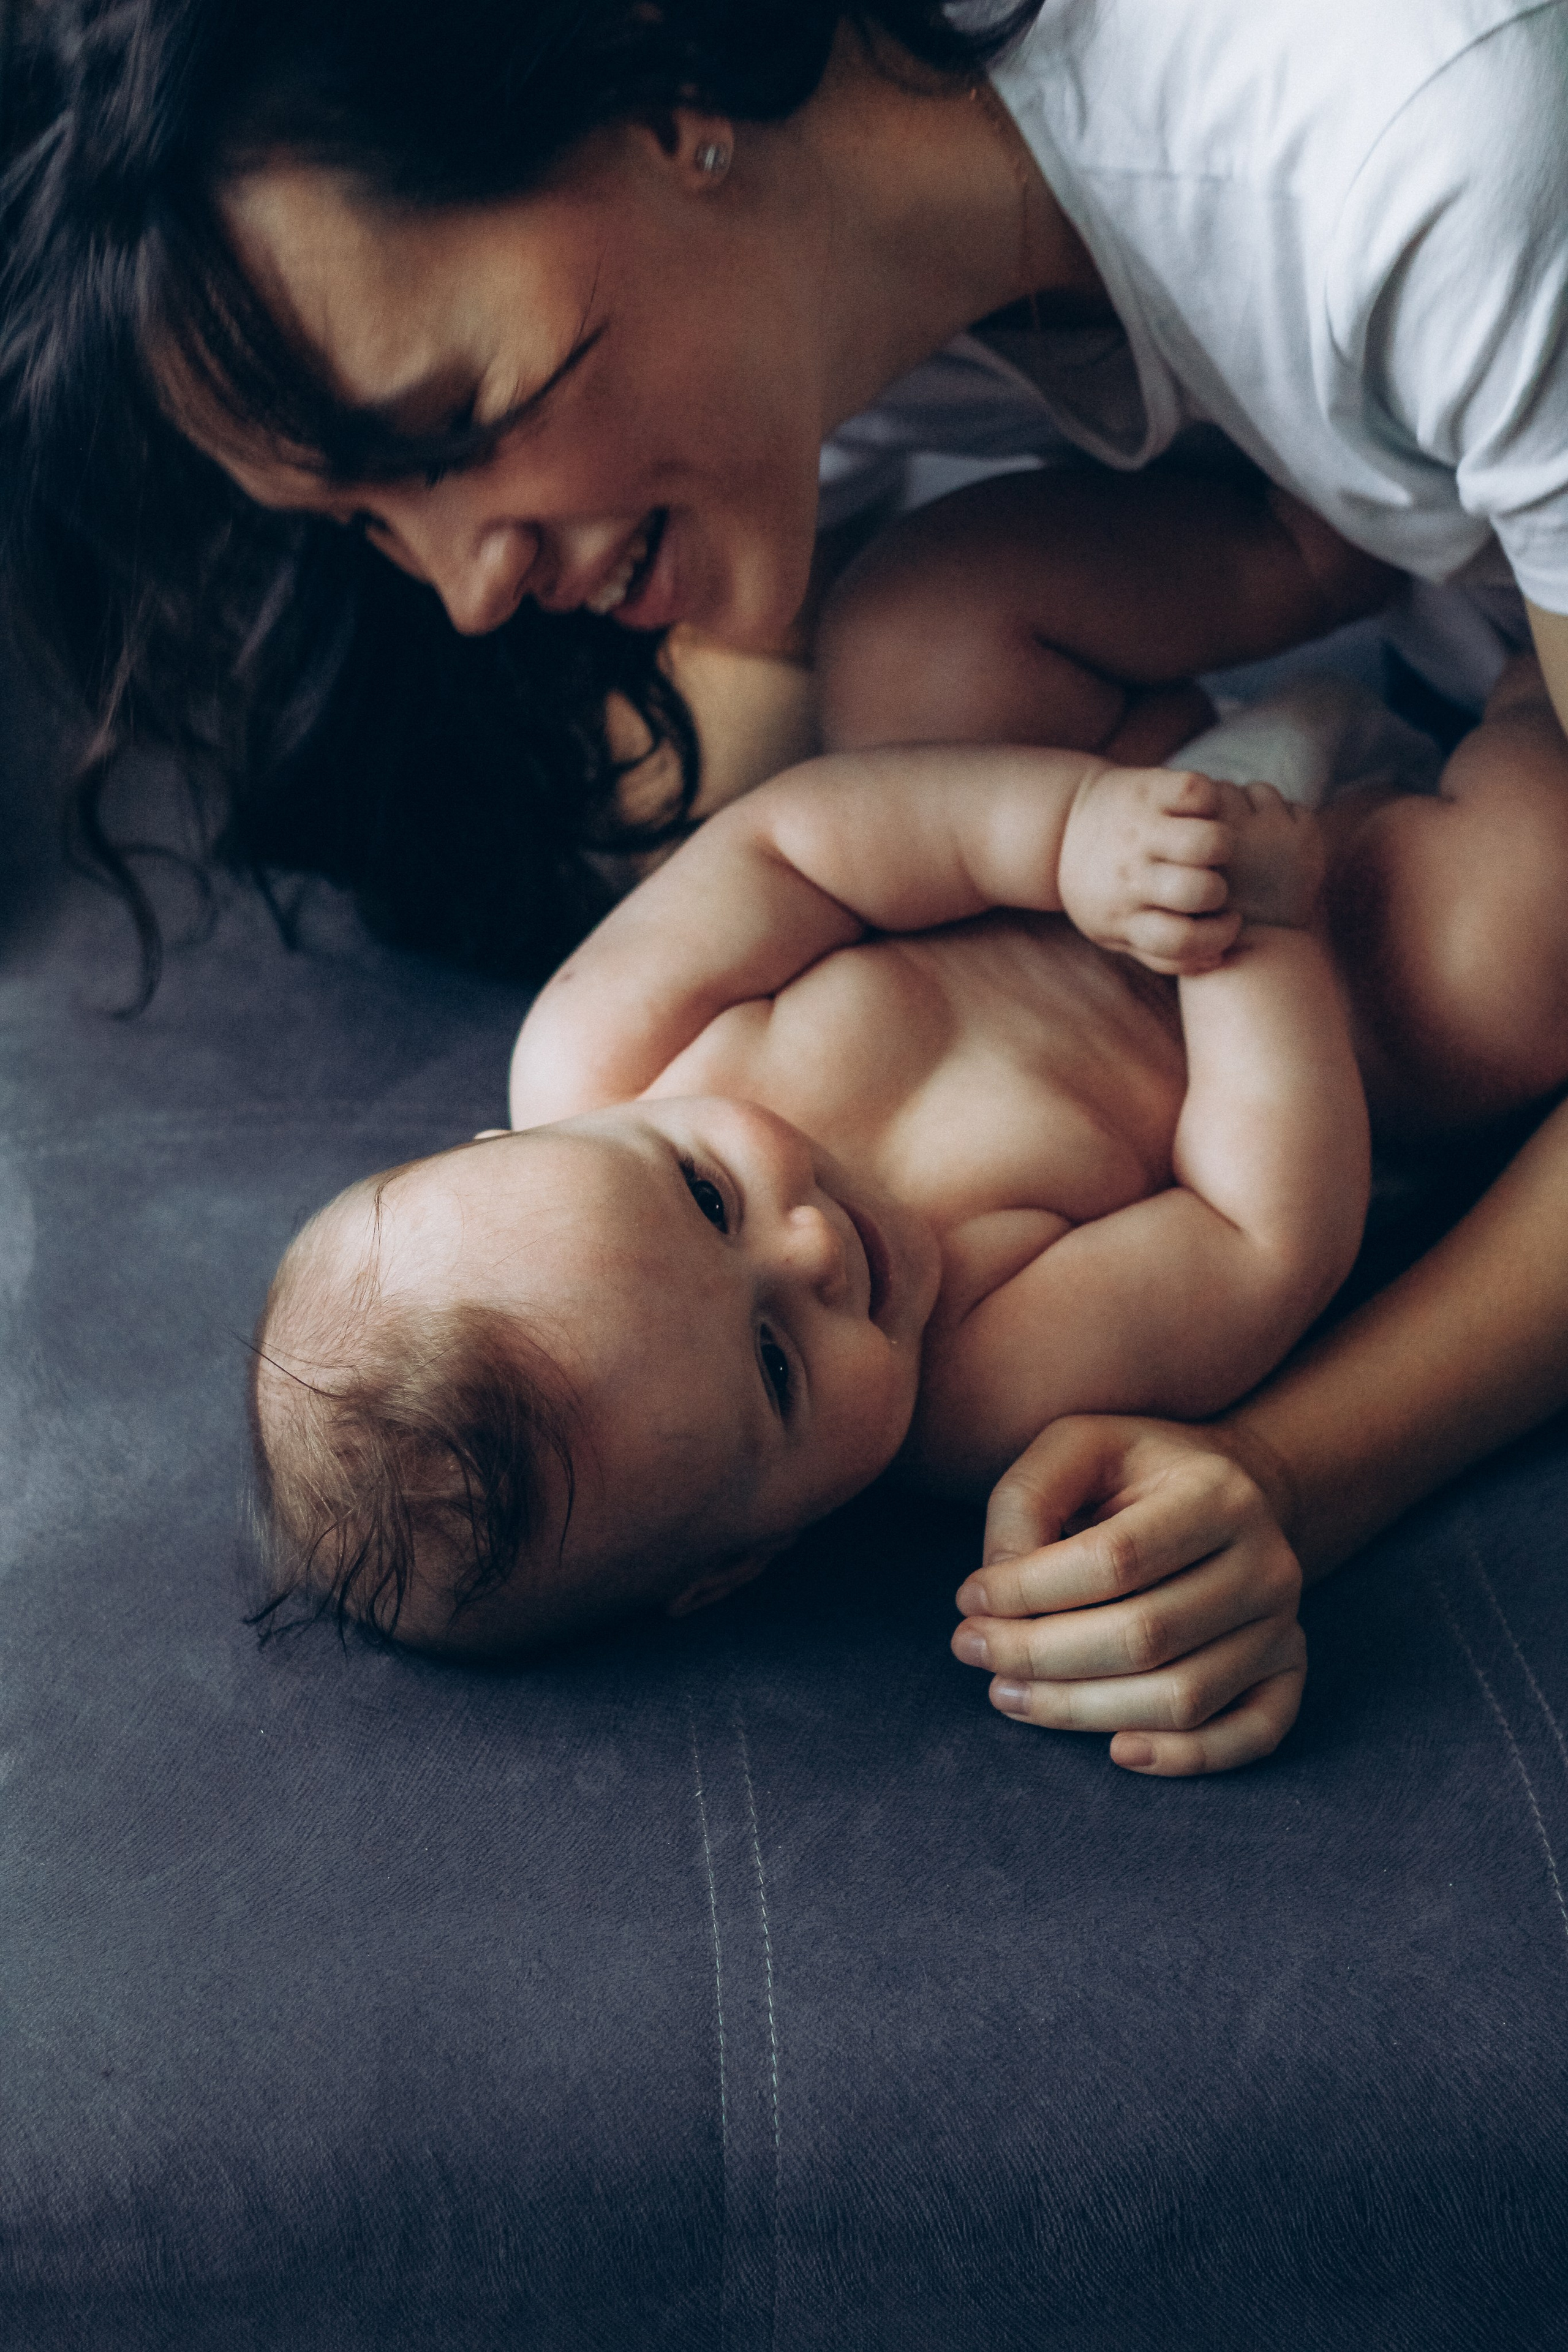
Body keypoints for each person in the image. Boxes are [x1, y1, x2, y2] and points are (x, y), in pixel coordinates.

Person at [7, 0, 1568, 1767]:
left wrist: (1068, 837)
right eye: (373, 524)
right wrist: (1245, 924)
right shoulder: (976, 1376)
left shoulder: (1414, 141)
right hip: (1308, 956)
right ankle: (1529, 696)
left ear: (667, 105)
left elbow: (804, 843)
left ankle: (1318, 548)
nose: (466, 591)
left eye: (454, 418)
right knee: (1504, 948)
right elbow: (1262, 1228)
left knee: (917, 640)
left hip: (1103, 797)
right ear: (735, 1562)